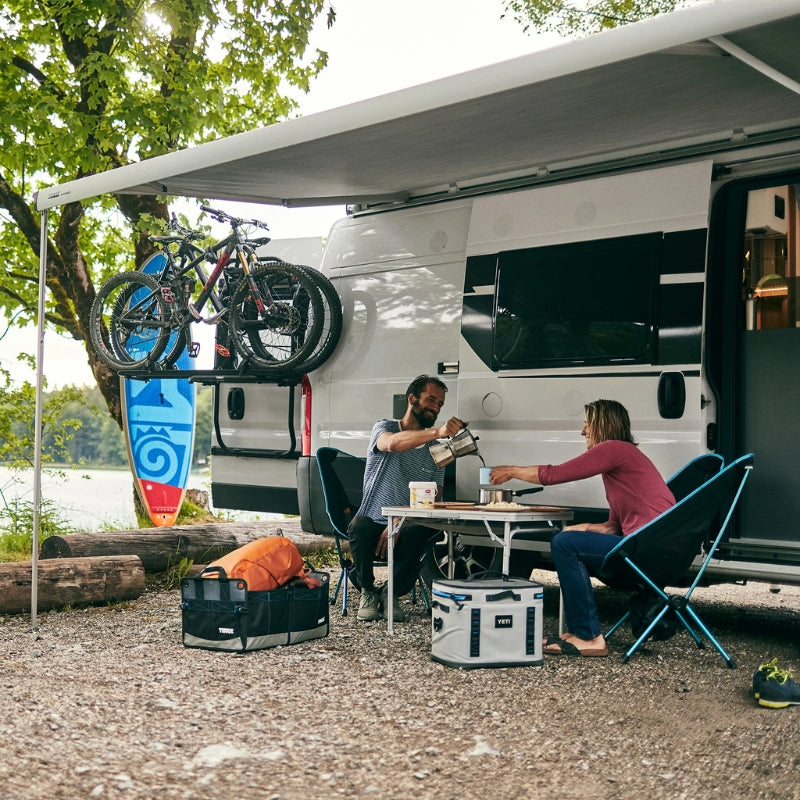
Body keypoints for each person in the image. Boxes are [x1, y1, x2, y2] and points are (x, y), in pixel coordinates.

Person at [490, 399, 675, 657]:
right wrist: (581, 528)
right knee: (566, 539)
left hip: (646, 549)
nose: (583, 431)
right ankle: (579, 631)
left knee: (564, 545)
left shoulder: (614, 448)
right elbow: (613, 527)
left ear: (604, 426)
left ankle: (588, 636)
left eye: (588, 424)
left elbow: (554, 474)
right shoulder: (625, 458)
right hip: (657, 550)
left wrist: (510, 471)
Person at [348, 375, 465, 622]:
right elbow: (391, 444)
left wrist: (401, 520)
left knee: (421, 530)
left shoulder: (438, 449)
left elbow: (435, 497)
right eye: (431, 400)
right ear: (412, 399)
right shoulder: (384, 427)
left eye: (440, 404)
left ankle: (390, 593)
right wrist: (438, 432)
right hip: (374, 519)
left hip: (408, 522)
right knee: (359, 525)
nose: (436, 407)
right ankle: (367, 591)